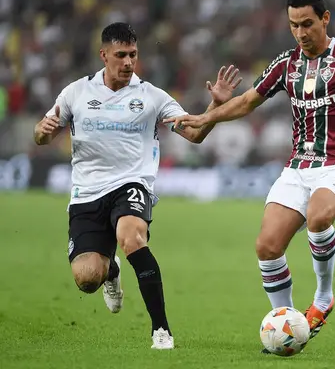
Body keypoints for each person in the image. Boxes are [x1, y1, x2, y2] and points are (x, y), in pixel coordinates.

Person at [165, 0, 335, 348]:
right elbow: (245, 102)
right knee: (267, 246)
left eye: (307, 24)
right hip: (298, 166)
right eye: (294, 25)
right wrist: (205, 115)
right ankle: (288, 328)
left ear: (325, 19)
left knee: (319, 218)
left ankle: (322, 298)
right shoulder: (287, 64)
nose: (301, 33)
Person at [33, 22, 242, 349]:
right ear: (104, 55)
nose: (129, 62)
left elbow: (195, 134)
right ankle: (110, 272)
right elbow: (42, 135)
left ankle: (161, 330)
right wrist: (43, 131)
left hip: (132, 184)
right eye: (121, 55)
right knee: (87, 279)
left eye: (133, 54)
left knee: (131, 238)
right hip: (86, 193)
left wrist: (215, 107)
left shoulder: (152, 97)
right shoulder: (76, 93)